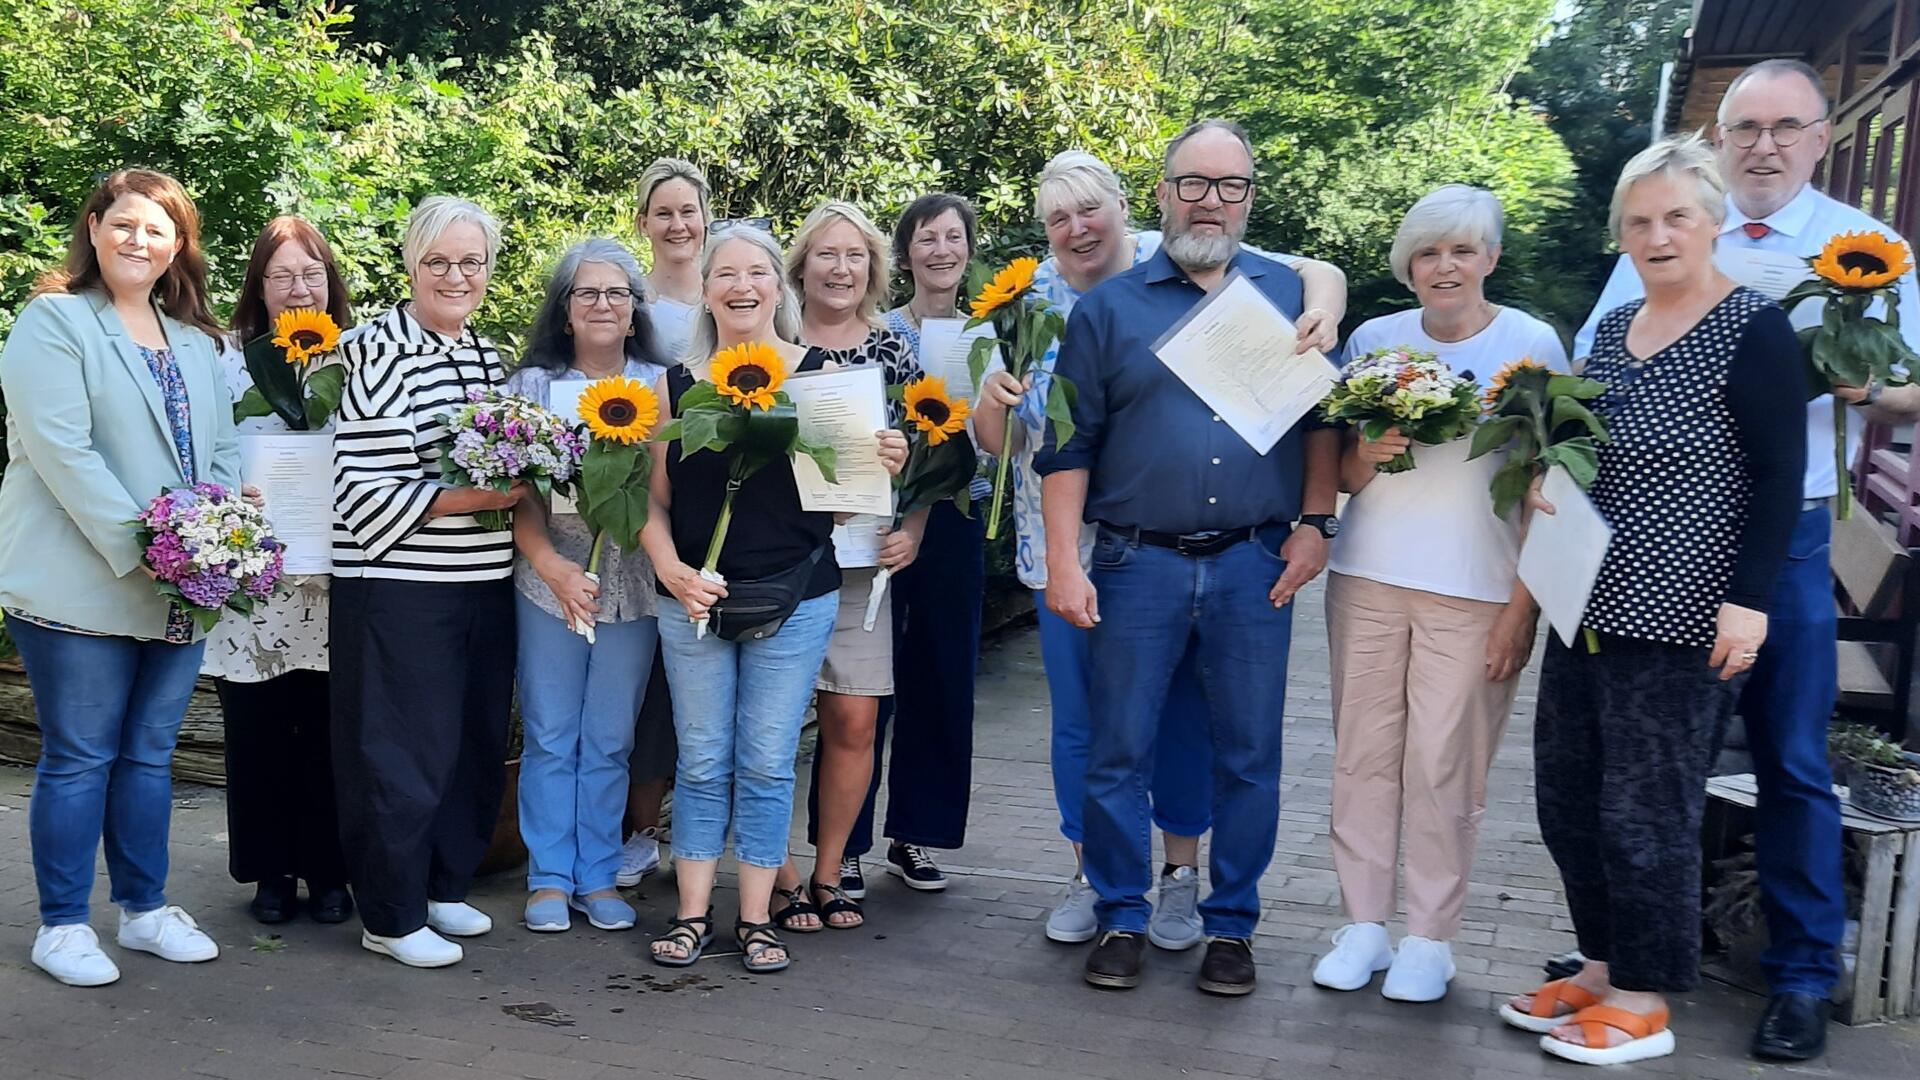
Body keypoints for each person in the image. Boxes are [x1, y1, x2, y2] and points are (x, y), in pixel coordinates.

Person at [1571, 59, 1920, 1062]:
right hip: (1661, 539)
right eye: (1746, 127)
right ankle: (1630, 958)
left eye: (1786, 127)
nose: (1764, 144)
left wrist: (1863, 387)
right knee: (1644, 765)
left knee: (1791, 759)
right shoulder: (1669, 226)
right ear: (1722, 139)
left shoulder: (1870, 248)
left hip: (1789, 533)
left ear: (1820, 137)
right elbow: (1602, 351)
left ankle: (1803, 975)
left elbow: (1913, 389)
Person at [973, 149, 1347, 950]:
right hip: (1110, 555)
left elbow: (1319, 405)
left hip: (1246, 558)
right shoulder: (1073, 306)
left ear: (1124, 208)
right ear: (1165, 193)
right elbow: (1051, 447)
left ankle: (1210, 907)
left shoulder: (1268, 290)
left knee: (1224, 741)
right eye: (1194, 184)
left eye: (1228, 185)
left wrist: (1316, 523)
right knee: (1098, 735)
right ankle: (1110, 892)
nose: (1209, 200)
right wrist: (1066, 557)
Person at [1503, 136, 1805, 1066]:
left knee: (1648, 813)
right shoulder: (1616, 326)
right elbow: (1588, 448)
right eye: (1639, 221)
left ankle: (1643, 1001)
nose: (1658, 234)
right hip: (1584, 603)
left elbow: (1779, 475)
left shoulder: (1755, 328)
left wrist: (1748, 602)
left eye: (1677, 216)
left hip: (1681, 614)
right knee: (1570, 800)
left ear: (1714, 222)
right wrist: (1546, 478)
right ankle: (1599, 965)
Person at [1309, 185, 1566, 1004]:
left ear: (1489, 257)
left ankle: (1430, 936)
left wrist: (1524, 609)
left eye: (1462, 250)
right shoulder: (1376, 340)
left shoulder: (1531, 346)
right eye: (1428, 252)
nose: (1444, 266)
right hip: (1370, 579)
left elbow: (1548, 490)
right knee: (1364, 757)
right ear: (1408, 265)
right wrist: (1374, 451)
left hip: (1477, 590)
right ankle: (1362, 924)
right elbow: (1344, 473)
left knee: (1445, 766)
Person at [639, 227, 907, 972]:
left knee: (764, 761)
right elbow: (653, 504)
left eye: (757, 271)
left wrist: (885, 462)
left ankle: (755, 918)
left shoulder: (821, 379)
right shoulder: (677, 384)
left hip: (796, 597)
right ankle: (693, 914)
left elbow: (845, 505)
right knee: (699, 762)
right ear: (707, 289)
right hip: (693, 600)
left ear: (778, 286)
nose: (741, 285)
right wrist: (671, 570)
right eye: (725, 273)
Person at [0, 168, 239, 986]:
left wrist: (221, 537)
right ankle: (63, 926)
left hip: (181, 588)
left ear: (179, 246)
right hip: (83, 581)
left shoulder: (198, 341)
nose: (140, 242)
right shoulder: (54, 322)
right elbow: (64, 453)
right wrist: (151, 546)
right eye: (125, 225)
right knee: (79, 755)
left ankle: (143, 910)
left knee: (146, 755)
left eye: (159, 230)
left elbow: (225, 452)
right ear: (96, 228)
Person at [330, 196, 523, 969]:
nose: (456, 275)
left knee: (470, 743)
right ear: (411, 266)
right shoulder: (376, 349)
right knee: (399, 752)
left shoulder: (486, 355)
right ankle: (391, 912)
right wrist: (487, 496)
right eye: (438, 261)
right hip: (400, 585)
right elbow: (363, 488)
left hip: (481, 580)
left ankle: (445, 887)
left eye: (470, 261)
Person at [818, 192, 989, 902]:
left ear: (969, 250)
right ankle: (846, 842)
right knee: (864, 683)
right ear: (907, 251)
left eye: (953, 237)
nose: (941, 249)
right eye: (927, 238)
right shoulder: (879, 330)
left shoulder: (995, 331)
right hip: (874, 521)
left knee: (942, 675)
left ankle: (915, 832)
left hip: (956, 516)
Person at [507, 239, 667, 934]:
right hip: (549, 581)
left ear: (634, 312)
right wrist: (552, 566)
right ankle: (547, 876)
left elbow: (668, 496)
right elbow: (514, 499)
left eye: (617, 293)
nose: (602, 304)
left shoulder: (664, 386)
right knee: (550, 733)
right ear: (565, 310)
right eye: (586, 292)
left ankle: (598, 874)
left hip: (635, 586)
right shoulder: (529, 388)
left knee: (608, 738)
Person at [204, 216, 355, 927]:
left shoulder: (354, 358)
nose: (299, 287)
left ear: (331, 283)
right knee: (259, 733)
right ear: (259, 287)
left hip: (333, 583)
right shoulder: (226, 359)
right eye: (284, 275)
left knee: (328, 732)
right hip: (255, 586)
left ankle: (329, 873)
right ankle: (269, 874)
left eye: (312, 274)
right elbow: (203, 454)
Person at [777, 200, 922, 932]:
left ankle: (830, 874)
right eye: (827, 254)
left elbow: (930, 452)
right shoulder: (769, 341)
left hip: (864, 562)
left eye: (856, 255)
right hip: (779, 560)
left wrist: (915, 526)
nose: (841, 268)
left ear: (873, 267)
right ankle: (779, 874)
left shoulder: (895, 348)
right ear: (801, 264)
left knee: (855, 720)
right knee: (766, 726)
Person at [620, 157, 713, 886]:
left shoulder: (731, 291)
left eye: (689, 210)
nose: (678, 224)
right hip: (640, 505)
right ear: (643, 223)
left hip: (719, 507)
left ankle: (699, 834)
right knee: (646, 685)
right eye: (663, 212)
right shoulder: (630, 303)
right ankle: (636, 830)